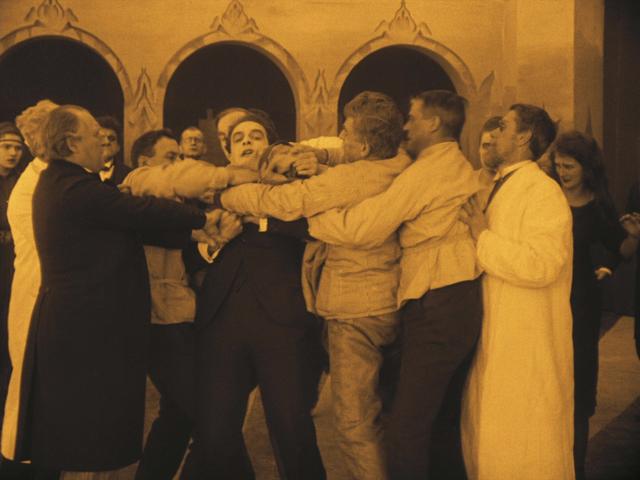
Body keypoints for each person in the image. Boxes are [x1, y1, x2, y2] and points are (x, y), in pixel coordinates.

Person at [15, 105, 219, 479]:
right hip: (82, 332)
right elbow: (137, 212)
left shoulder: (69, 183)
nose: (105, 144)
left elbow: (132, 219)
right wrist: (204, 219)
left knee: (77, 434)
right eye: (96, 136)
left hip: (84, 327)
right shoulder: (74, 187)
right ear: (72, 142)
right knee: (74, 436)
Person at [219, 91, 410, 479]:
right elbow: (340, 156)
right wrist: (320, 157)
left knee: (354, 424)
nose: (341, 137)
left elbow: (286, 203)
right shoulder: (399, 162)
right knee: (382, 412)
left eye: (347, 132)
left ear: (364, 146)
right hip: (388, 300)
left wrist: (226, 191)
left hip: (353, 310)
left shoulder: (350, 178)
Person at [292, 90, 482, 479]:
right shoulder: (435, 162)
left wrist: (311, 216)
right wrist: (327, 157)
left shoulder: (430, 171)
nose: (405, 127)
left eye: (412, 118)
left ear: (433, 123)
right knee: (439, 424)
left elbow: (364, 226)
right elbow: (379, 158)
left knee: (405, 428)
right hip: (447, 298)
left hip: (437, 302)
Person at [192, 112, 325, 479]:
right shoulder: (209, 193)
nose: (247, 142)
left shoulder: (298, 188)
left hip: (282, 323)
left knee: (291, 429)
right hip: (221, 323)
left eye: (255, 136)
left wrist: (263, 220)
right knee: (215, 432)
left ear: (271, 146)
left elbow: (315, 229)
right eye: (239, 139)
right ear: (228, 152)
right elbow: (188, 252)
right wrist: (215, 243)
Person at [120, 128, 251, 480]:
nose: (178, 163)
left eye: (180, 157)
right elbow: (164, 231)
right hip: (157, 319)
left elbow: (185, 255)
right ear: (145, 161)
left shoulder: (176, 202)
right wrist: (209, 233)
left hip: (179, 314)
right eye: (170, 157)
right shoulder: (136, 184)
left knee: (178, 415)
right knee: (210, 413)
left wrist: (209, 241)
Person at [459, 104, 574, 480]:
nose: (494, 134)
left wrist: (482, 237)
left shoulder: (543, 191)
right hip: (497, 333)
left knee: (527, 446)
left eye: (504, 127)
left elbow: (543, 264)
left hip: (526, 340)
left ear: (524, 137)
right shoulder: (502, 184)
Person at [550, 130, 640, 479]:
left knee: (579, 390)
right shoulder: (546, 195)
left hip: (583, 305)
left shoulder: (598, 204)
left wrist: (634, 236)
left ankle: (576, 468)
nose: (563, 172)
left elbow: (622, 249)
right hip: (548, 299)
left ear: (586, 168)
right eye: (559, 165)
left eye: (569, 166)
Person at [0, 101, 60, 480]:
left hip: (46, 295)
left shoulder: (49, 178)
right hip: (35, 294)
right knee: (28, 393)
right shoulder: (36, 184)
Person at [0, 122, 24, 440]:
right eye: (6, 147)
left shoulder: (21, 183)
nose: (13, 153)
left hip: (14, 271)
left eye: (17, 148)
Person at [96, 115, 131, 185]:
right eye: (101, 138)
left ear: (118, 147)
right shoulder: (79, 173)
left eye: (111, 138)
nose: (106, 142)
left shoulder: (130, 175)